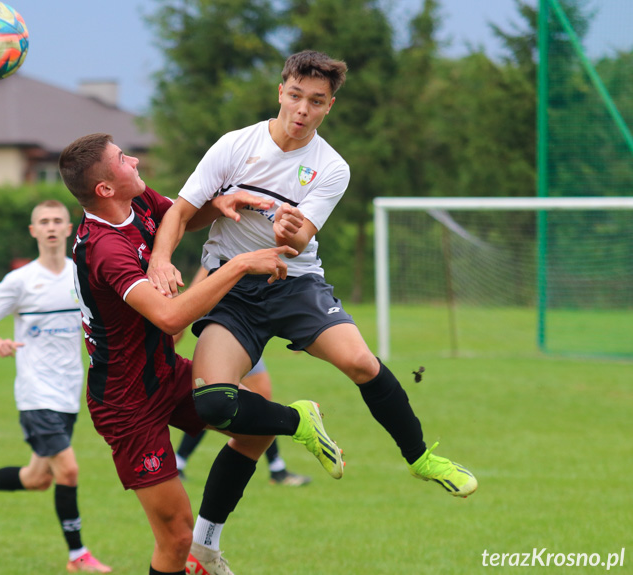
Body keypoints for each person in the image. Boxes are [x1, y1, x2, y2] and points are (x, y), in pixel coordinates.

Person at [147, 50, 478, 500]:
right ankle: (297, 423)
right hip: (231, 290)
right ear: (280, 91)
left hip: (294, 283)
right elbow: (179, 212)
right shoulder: (234, 145)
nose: (303, 110)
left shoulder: (332, 166)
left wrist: (290, 230)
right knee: (213, 405)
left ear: (329, 106)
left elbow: (299, 242)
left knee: (362, 362)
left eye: (317, 101)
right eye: (297, 96)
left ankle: (421, 460)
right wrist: (161, 259)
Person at [57, 133, 342, 575]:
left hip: (163, 373)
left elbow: (182, 218)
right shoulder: (105, 249)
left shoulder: (139, 202)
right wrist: (240, 264)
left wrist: (226, 201)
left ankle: (207, 549)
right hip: (125, 400)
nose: (133, 159)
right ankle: (298, 422)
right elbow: (170, 319)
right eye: (121, 159)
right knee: (173, 536)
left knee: (254, 423)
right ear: (104, 190)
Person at [0, 200, 112, 574]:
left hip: (68, 392)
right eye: (43, 222)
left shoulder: (82, 275)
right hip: (35, 394)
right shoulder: (19, 281)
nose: (50, 227)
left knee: (36, 480)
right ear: (33, 231)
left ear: (69, 229)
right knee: (69, 472)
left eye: (57, 221)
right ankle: (78, 556)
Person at [173, 267, 310, 487]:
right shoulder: (221, 253)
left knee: (231, 400)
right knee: (227, 398)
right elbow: (205, 277)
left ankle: (276, 467)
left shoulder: (253, 245)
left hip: (244, 326)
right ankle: (277, 468)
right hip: (228, 329)